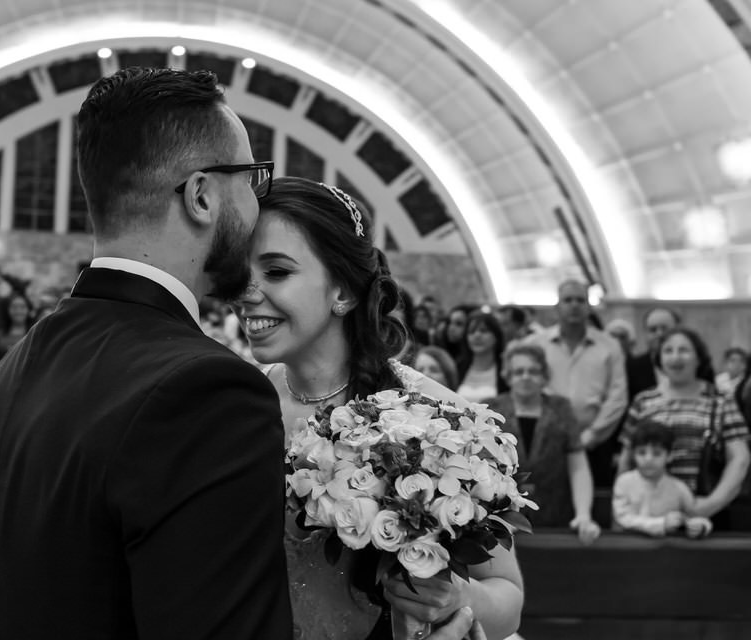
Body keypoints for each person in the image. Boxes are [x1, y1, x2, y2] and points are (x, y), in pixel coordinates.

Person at [0, 67, 291, 640]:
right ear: (202, 195)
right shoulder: (206, 390)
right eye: (252, 179)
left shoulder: (11, 370)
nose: (258, 205)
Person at [238, 176, 524, 640]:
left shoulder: (433, 416)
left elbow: (507, 599)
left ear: (343, 292)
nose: (246, 293)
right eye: (240, 272)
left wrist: (458, 599)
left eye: (275, 272)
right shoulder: (240, 405)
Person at [618, 327, 750, 529]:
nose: (675, 357)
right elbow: (626, 459)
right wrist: (623, 507)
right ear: (659, 359)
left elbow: (739, 459)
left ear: (698, 358)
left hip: (704, 512)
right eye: (668, 351)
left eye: (684, 350)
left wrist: (710, 504)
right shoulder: (643, 401)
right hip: (649, 517)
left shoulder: (720, 401)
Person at [484, 344, 600, 544]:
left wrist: (583, 514)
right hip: (503, 519)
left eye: (533, 371)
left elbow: (578, 466)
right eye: (518, 371)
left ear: (545, 376)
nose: (526, 376)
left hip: (557, 515)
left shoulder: (562, 408)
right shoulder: (492, 408)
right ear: (507, 376)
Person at [527, 280, 627, 487]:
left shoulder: (609, 346)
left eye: (580, 300)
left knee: (594, 505)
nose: (574, 305)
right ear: (557, 307)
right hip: (545, 441)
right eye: (568, 300)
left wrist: (592, 435)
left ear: (589, 307)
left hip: (594, 445)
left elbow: (617, 396)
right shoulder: (536, 344)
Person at [613, 421, 713, 538]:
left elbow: (697, 516)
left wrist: (701, 527)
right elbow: (622, 518)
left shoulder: (678, 487)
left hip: (667, 552)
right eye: (641, 453)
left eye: (656, 453)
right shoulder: (624, 482)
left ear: (669, 455)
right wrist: (661, 523)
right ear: (633, 454)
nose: (648, 459)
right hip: (628, 548)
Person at [627, 306, 680, 400]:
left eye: (665, 328)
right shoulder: (632, 367)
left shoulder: (692, 364)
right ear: (645, 334)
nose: (659, 334)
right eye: (653, 330)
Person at [456, 310, 509, 404]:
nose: (477, 335)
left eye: (484, 331)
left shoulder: (505, 368)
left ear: (496, 336)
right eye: (471, 332)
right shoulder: (457, 367)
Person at [0, 292, 34, 366]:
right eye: (14, 307)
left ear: (28, 310)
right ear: (7, 310)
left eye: (22, 307)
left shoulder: (35, 335)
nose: (18, 311)